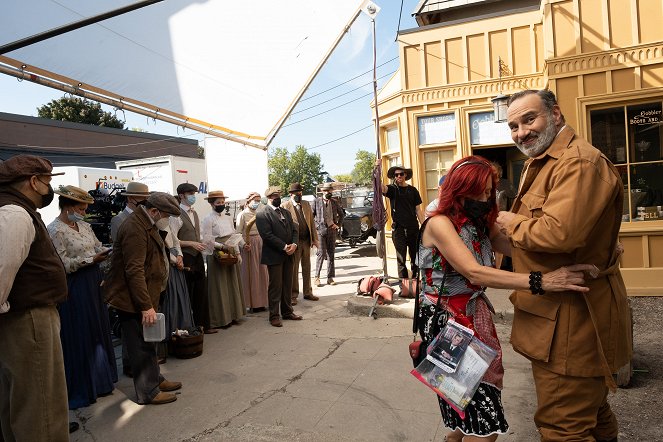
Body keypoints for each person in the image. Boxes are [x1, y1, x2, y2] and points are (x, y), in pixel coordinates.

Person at [420, 155, 596, 442]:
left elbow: (518, 248)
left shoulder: (477, 223)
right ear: (462, 188)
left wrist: (580, 253)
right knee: (482, 421)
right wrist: (543, 282)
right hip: (447, 324)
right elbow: (475, 272)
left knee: (465, 406)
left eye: (491, 191)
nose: (488, 197)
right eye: (483, 191)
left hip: (472, 318)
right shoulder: (439, 223)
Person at [497, 89, 632, 442]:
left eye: (529, 119)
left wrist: (509, 222)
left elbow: (560, 234)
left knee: (564, 427)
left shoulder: (579, 162)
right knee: (592, 412)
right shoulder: (540, 161)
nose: (521, 132)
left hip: (572, 322)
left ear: (555, 114)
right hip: (557, 319)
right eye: (513, 125)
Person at [0, 155, 69, 441]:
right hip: (28, 319)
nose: (49, 188)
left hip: (24, 317)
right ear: (33, 181)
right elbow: (3, 269)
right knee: (42, 405)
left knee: (23, 401)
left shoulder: (14, 210)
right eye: (47, 181)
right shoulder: (15, 214)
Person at [103, 192, 183, 405]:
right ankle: (148, 391)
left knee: (150, 342)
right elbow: (134, 270)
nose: (167, 219)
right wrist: (145, 306)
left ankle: (155, 378)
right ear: (154, 210)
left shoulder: (146, 222)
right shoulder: (134, 228)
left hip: (148, 293)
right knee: (139, 345)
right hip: (133, 299)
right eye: (166, 214)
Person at [46, 185, 117, 409]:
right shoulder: (55, 230)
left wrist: (106, 252)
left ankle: (101, 380)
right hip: (75, 284)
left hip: (93, 280)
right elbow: (62, 264)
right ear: (67, 206)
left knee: (96, 328)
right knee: (80, 331)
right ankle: (82, 387)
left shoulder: (84, 226)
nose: (84, 213)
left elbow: (97, 246)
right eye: (81, 208)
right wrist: (90, 261)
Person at [110, 181, 151, 376]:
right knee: (132, 329)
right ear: (130, 198)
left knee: (142, 330)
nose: (144, 202)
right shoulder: (120, 220)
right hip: (130, 279)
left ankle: (145, 367)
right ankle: (130, 364)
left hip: (144, 278)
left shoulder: (143, 218)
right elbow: (127, 257)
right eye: (142, 198)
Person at [171, 182, 216, 334]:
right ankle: (190, 327)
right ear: (181, 195)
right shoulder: (175, 214)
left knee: (201, 291)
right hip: (185, 256)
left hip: (197, 256)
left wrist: (204, 242)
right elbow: (173, 239)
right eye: (190, 194)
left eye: (194, 194)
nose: (193, 197)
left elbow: (197, 234)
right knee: (188, 293)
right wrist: (191, 244)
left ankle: (203, 324)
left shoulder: (195, 213)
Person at [255, 186, 302, 327]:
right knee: (275, 286)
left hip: (289, 254)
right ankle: (274, 316)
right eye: (275, 196)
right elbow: (267, 235)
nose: (278, 198)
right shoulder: (262, 214)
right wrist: (284, 246)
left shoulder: (286, 212)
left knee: (288, 284)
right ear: (269, 198)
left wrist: (294, 244)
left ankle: (287, 312)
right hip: (274, 255)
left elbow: (295, 230)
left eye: (279, 196)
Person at [201, 190, 245, 328]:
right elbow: (206, 239)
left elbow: (233, 236)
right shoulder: (208, 219)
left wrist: (237, 253)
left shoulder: (227, 217)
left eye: (222, 202)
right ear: (211, 204)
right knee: (219, 287)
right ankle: (221, 319)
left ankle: (234, 315)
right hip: (216, 254)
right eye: (218, 202)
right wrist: (221, 246)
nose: (221, 204)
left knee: (232, 284)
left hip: (230, 251)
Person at [378, 164, 424, 292]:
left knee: (415, 258)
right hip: (398, 230)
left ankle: (415, 284)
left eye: (401, 174)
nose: (398, 176)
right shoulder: (393, 189)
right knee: (401, 259)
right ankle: (403, 286)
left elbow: (418, 210)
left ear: (405, 176)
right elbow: (381, 187)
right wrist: (377, 170)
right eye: (396, 174)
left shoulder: (413, 190)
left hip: (413, 228)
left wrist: (424, 226)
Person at [282, 182, 319, 305]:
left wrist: (315, 238)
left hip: (306, 240)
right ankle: (293, 295)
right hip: (294, 242)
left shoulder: (306, 204)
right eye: (296, 193)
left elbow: (311, 222)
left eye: (300, 192)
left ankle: (308, 292)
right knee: (294, 269)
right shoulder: (285, 206)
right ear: (291, 194)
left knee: (307, 267)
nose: (299, 195)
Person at [235, 191, 269, 312]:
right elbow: (238, 233)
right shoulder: (242, 215)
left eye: (259, 200)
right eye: (255, 200)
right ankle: (252, 303)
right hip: (249, 245)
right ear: (248, 201)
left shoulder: (260, 213)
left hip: (260, 243)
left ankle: (263, 302)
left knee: (262, 272)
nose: (257, 203)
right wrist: (243, 244)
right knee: (251, 274)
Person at [312, 182, 344, 287]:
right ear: (322, 191)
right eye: (325, 190)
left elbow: (342, 214)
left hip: (332, 231)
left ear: (332, 191)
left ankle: (330, 278)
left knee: (331, 254)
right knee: (321, 253)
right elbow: (311, 216)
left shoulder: (334, 202)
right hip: (320, 231)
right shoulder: (316, 201)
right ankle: (317, 277)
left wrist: (338, 225)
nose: (327, 192)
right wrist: (316, 227)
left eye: (329, 191)